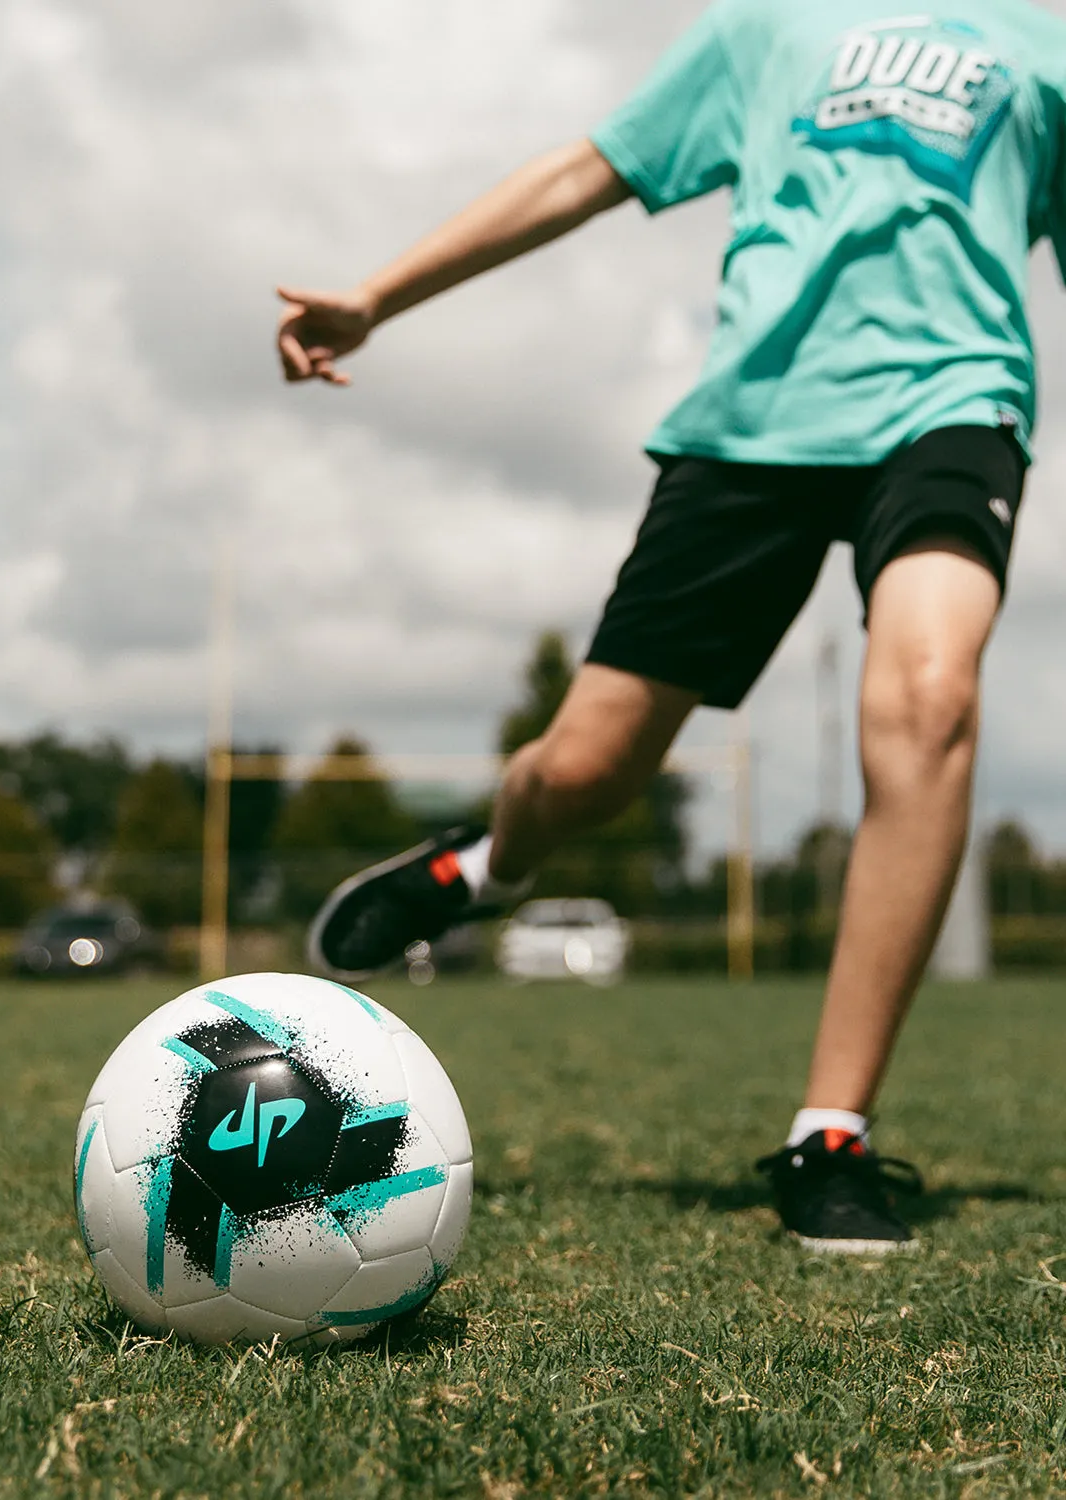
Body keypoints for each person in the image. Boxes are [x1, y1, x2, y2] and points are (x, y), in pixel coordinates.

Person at [277, 0, 1066, 1253]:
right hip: (751, 432)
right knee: (585, 768)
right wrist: (381, 293)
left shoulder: (1046, 50)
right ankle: (483, 867)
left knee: (929, 694)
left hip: (953, 408)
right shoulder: (765, 28)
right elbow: (585, 172)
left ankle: (832, 1134)